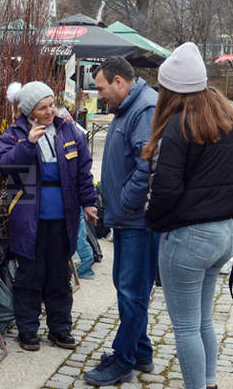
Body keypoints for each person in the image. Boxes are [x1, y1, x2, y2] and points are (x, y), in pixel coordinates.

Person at [142, 43, 233, 389]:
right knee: (203, 320)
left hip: (188, 239)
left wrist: (153, 221)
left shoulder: (176, 128)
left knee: (187, 326)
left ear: (170, 90)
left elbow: (165, 191)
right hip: (224, 235)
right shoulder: (229, 122)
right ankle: (210, 382)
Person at [0, 81, 98, 351]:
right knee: (29, 275)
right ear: (30, 112)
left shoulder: (69, 131)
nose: (50, 110)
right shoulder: (15, 134)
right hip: (29, 220)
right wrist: (28, 145)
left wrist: (89, 202)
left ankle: (60, 329)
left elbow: (83, 171)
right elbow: (5, 166)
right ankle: (28, 330)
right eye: (43, 107)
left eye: (52, 104)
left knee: (58, 275)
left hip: (63, 217)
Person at [83, 57, 159, 386]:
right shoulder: (128, 107)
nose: (100, 96)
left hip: (137, 221)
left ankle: (123, 360)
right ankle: (141, 351)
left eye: (101, 88)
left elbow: (147, 161)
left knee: (131, 291)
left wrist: (126, 201)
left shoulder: (142, 109)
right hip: (127, 219)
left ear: (118, 81)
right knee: (128, 287)